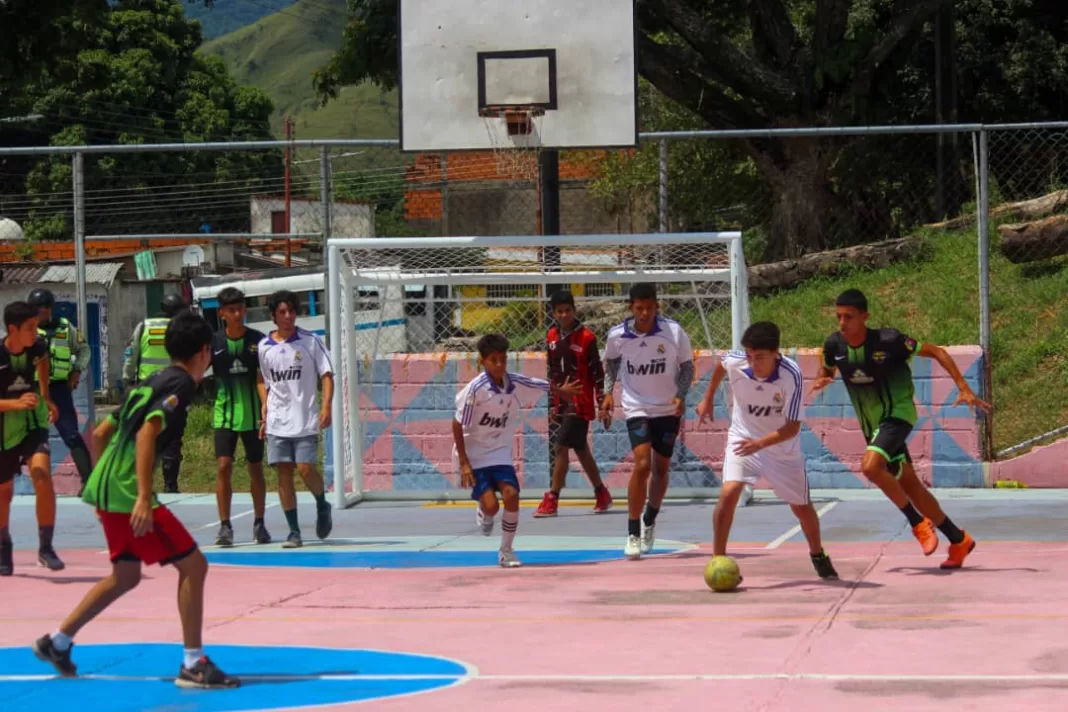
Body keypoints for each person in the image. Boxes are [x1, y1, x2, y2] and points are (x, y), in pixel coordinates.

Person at [32, 310, 240, 689]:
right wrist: (143, 496)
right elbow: (147, 433)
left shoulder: (152, 379)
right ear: (205, 352)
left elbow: (99, 433)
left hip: (107, 486)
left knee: (126, 574)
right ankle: (193, 663)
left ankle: (57, 642)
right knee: (194, 567)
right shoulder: (180, 384)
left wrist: (103, 482)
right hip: (128, 490)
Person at [812, 289, 992, 569]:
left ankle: (918, 523)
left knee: (871, 467)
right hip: (873, 427)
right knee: (911, 486)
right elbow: (826, 370)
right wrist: (822, 379)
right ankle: (959, 541)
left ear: (865, 317)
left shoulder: (890, 340)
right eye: (838, 316)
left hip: (898, 415)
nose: (842, 323)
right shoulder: (834, 345)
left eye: (849, 316)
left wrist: (963, 386)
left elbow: (936, 351)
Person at [697, 322, 838, 580]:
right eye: (749, 356)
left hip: (781, 448)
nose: (752, 362)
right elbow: (721, 365)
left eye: (759, 357)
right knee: (729, 492)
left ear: (776, 353)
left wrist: (761, 444)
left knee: (801, 506)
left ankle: (818, 554)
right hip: (743, 437)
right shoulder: (737, 360)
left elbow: (793, 427)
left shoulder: (790, 374)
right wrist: (706, 399)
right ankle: (718, 559)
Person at [454, 333, 580, 567]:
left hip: (498, 451)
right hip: (473, 454)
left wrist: (561, 391)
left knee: (512, 495)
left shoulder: (513, 384)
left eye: (503, 359)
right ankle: (484, 509)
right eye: (494, 360)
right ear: (482, 361)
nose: (500, 365)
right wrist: (463, 462)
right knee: (492, 506)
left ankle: (506, 550)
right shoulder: (475, 391)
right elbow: (457, 424)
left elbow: (538, 384)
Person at [600, 283, 694, 560]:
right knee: (642, 465)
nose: (644, 313)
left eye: (649, 308)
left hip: (667, 408)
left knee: (661, 469)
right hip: (636, 406)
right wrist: (607, 393)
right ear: (631, 308)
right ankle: (632, 532)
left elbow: (687, 366)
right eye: (639, 308)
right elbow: (612, 363)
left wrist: (680, 395)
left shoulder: (673, 332)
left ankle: (649, 519)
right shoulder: (617, 335)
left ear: (657, 306)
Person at [257, 290, 334, 549]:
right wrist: (264, 409)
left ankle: (323, 504)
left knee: (304, 468)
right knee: (284, 474)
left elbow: (326, 374)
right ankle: (294, 531)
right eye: (282, 312)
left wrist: (326, 406)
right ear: (273, 316)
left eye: (291, 311)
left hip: (304, 418)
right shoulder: (264, 347)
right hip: (278, 421)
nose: (288, 316)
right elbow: (264, 381)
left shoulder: (311, 341)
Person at [534, 290, 612, 518]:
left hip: (580, 401)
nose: (565, 314)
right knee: (580, 449)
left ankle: (552, 498)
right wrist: (551, 404)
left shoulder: (586, 337)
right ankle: (601, 493)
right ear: (554, 313)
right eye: (560, 311)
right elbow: (552, 372)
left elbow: (597, 372)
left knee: (560, 447)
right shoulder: (551, 337)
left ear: (574, 310)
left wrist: (601, 402)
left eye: (568, 310)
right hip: (561, 401)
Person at [0, 302, 62, 574]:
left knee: (41, 474)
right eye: (30, 327)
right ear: (12, 329)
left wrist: (45, 395)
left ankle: (46, 547)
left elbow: (43, 361)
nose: (36, 332)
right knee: (4, 493)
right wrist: (15, 404)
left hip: (32, 424)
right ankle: (3, 547)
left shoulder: (37, 348)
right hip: (3, 431)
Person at [211, 288, 270, 547]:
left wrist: (266, 408)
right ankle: (225, 526)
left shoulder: (258, 340)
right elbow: (195, 370)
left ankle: (260, 522)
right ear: (222, 314)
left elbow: (261, 378)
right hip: (223, 415)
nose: (237, 314)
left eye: (241, 309)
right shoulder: (213, 343)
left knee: (255, 467)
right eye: (231, 310)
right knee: (224, 465)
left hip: (253, 415)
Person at [28, 289, 94, 495]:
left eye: (44, 310)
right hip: (31, 389)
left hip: (58, 389)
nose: (41, 313)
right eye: (37, 310)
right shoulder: (24, 329)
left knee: (71, 434)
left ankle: (90, 483)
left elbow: (83, 350)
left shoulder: (66, 328)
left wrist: (76, 372)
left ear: (50, 309)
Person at [123, 293, 188, 493]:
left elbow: (131, 354)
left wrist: (127, 381)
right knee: (173, 435)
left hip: (147, 388)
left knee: (146, 435)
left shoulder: (144, 326)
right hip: (173, 388)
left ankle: (143, 483)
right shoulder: (180, 329)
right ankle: (170, 484)